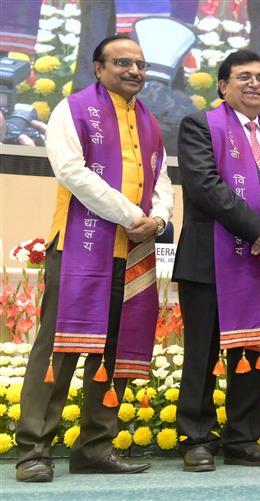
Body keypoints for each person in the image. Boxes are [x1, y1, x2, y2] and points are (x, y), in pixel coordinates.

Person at [15, 35, 173, 482]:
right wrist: (130, 214)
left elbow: (161, 179)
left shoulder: (151, 123)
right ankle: (34, 448)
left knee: (112, 350)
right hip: (78, 247)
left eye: (140, 64)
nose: (134, 71)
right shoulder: (73, 109)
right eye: (122, 62)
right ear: (98, 68)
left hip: (133, 249)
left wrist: (158, 219)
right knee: (60, 348)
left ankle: (95, 447)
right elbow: (71, 169)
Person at [173, 50, 260, 472]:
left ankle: (243, 438)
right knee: (203, 353)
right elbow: (204, 185)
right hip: (208, 262)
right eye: (243, 77)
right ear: (223, 86)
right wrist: (258, 232)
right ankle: (195, 439)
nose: (254, 84)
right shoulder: (200, 125)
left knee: (251, 351)